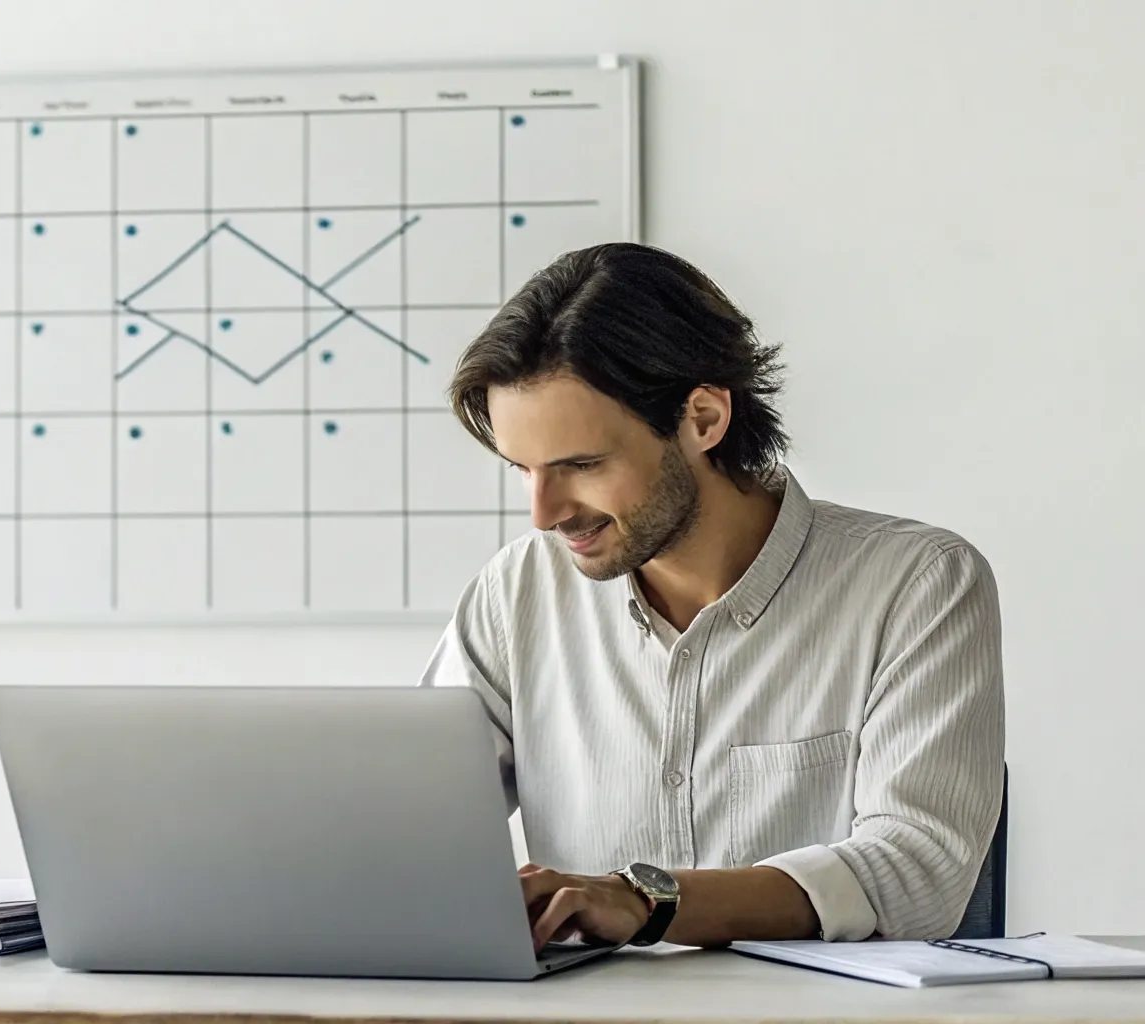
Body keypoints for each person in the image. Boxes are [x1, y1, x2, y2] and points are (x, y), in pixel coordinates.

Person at [419, 242, 1003, 951]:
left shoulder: (917, 585)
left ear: (702, 418)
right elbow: (413, 832)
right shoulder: (517, 593)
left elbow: (920, 873)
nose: (543, 512)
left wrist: (646, 901)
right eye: (523, 470)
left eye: (581, 465)